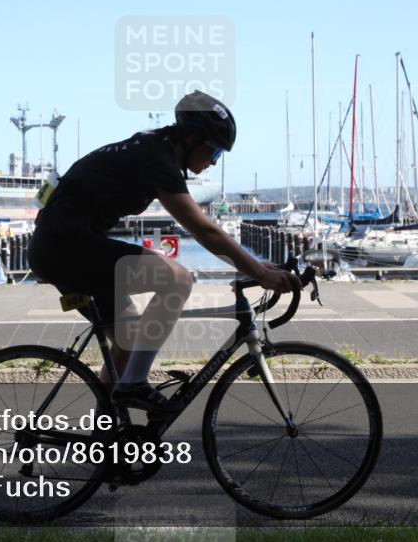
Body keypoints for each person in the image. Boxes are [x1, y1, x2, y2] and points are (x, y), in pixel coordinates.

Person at [28, 91, 301, 412]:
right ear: (191, 139)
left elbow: (206, 231)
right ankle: (134, 385)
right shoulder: (155, 158)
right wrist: (260, 273)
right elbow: (204, 230)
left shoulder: (152, 147)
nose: (213, 161)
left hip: (64, 245)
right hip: (65, 246)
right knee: (177, 279)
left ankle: (105, 445)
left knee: (129, 342)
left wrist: (258, 266)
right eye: (214, 152)